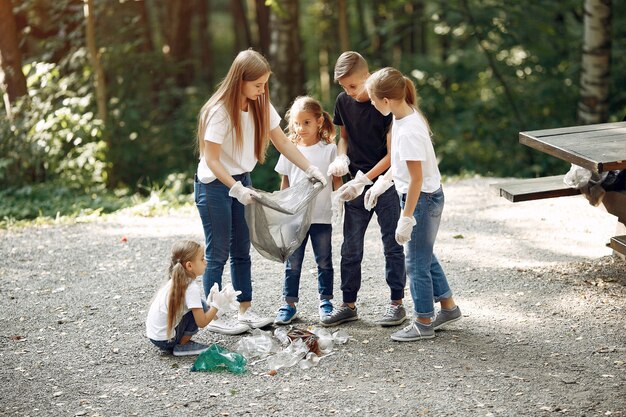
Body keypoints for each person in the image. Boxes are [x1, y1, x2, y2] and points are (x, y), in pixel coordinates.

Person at [194, 49, 327, 335]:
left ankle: (245, 311)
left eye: (264, 84)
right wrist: (235, 188)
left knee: (242, 249)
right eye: (257, 85)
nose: (262, 90)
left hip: (242, 179)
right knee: (218, 251)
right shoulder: (217, 111)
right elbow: (212, 160)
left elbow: (282, 142)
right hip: (214, 184)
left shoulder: (260, 104)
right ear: (239, 80)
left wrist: (309, 168)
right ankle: (211, 314)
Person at [364, 67, 461, 341]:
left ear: (386, 100)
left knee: (415, 263)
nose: (371, 104)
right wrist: (382, 183)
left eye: (372, 99)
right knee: (424, 255)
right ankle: (449, 307)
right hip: (422, 195)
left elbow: (416, 179)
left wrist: (406, 218)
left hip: (422, 199)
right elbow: (400, 164)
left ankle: (423, 321)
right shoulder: (402, 118)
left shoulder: (409, 130)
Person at [321, 51, 407, 328]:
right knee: (350, 247)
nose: (349, 92)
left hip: (385, 184)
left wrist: (365, 180)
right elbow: (343, 137)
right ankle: (348, 305)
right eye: (344, 87)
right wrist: (341, 157)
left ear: (367, 77)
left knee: (392, 244)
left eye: (354, 86)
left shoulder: (384, 104)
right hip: (354, 185)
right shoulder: (343, 101)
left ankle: (397, 303)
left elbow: (393, 154)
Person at [273, 96, 344, 325]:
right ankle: (289, 304)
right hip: (295, 219)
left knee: (324, 261)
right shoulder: (289, 150)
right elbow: (285, 182)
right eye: (296, 123)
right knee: (293, 263)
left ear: (319, 121)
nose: (300, 128)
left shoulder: (329, 150)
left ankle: (326, 302)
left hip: (322, 217)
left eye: (306, 122)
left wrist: (339, 203)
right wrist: (282, 210)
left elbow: (337, 181)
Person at [145, 240, 239, 356]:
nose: (205, 262)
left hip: (155, 336)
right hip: (166, 340)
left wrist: (216, 302)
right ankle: (183, 345)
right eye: (202, 259)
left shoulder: (176, 280)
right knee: (198, 307)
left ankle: (180, 342)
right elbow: (202, 322)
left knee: (200, 304)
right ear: (189, 265)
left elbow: (201, 310)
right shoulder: (191, 287)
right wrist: (217, 305)